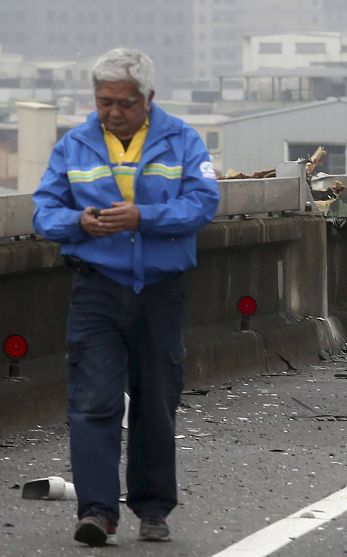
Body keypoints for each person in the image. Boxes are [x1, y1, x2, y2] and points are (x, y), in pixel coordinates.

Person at [32, 48, 219, 546]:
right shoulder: (73, 145)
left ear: (148, 99)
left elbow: (204, 203)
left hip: (160, 290)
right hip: (97, 287)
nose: (113, 112)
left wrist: (144, 217)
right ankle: (97, 511)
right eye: (104, 102)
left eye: (125, 103)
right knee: (93, 401)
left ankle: (153, 508)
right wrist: (79, 222)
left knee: (156, 400)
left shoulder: (182, 140)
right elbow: (44, 212)